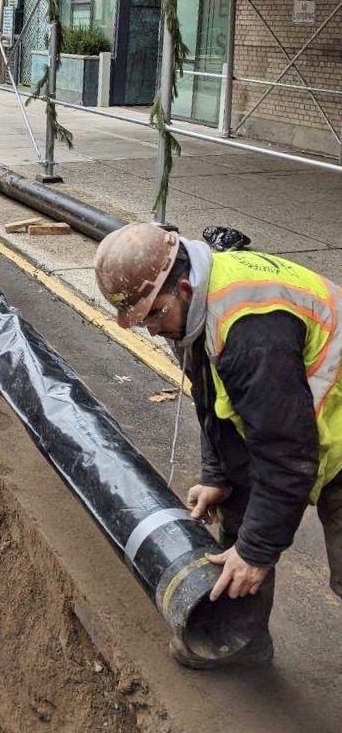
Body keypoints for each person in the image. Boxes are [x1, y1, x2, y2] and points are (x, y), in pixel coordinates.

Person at [94, 222, 342, 669]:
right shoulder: (193, 313)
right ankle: (241, 643)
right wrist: (217, 475)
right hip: (298, 415)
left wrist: (256, 553)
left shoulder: (249, 330)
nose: (151, 330)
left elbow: (288, 456)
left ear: (184, 288)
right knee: (239, 500)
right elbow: (213, 400)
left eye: (153, 315)